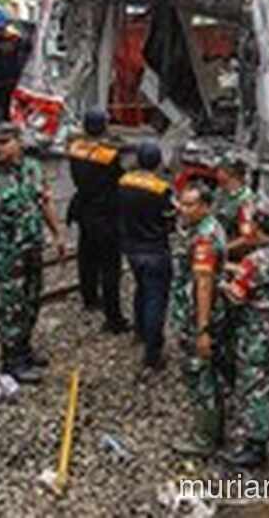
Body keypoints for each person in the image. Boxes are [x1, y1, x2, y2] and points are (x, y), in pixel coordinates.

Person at [0, 122, 68, 383]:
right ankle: (11, 360)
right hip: (7, 252)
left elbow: (45, 202)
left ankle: (24, 348)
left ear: (18, 142)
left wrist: (57, 234)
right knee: (13, 306)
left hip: (33, 246)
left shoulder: (34, 169)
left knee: (33, 299)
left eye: (3, 143)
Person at [219, 201, 269, 468]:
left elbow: (237, 295)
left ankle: (256, 444)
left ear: (256, 225)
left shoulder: (255, 260)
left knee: (254, 383)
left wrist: (220, 281)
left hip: (257, 330)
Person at [170, 182, 230, 457]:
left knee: (200, 374)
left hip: (198, 316)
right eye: (182, 203)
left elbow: (203, 283)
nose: (183, 209)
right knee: (211, 371)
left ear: (205, 206)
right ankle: (216, 426)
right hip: (209, 312)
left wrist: (202, 328)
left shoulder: (203, 239)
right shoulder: (211, 227)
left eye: (190, 204)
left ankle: (206, 438)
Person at [66, 108, 128, 332]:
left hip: (84, 209)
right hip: (106, 213)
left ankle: (89, 297)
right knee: (110, 265)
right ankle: (114, 318)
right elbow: (119, 177)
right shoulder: (109, 155)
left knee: (86, 256)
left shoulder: (75, 150)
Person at [117, 141, 175, 370]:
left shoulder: (123, 182)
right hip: (155, 249)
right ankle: (153, 354)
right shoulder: (161, 189)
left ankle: (139, 331)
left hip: (131, 248)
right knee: (156, 299)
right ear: (158, 161)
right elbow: (169, 219)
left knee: (141, 288)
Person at [212, 153, 257, 260]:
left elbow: (247, 237)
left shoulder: (245, 200)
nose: (217, 172)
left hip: (232, 250)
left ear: (233, 173)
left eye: (220, 169)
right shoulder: (220, 191)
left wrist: (221, 249)